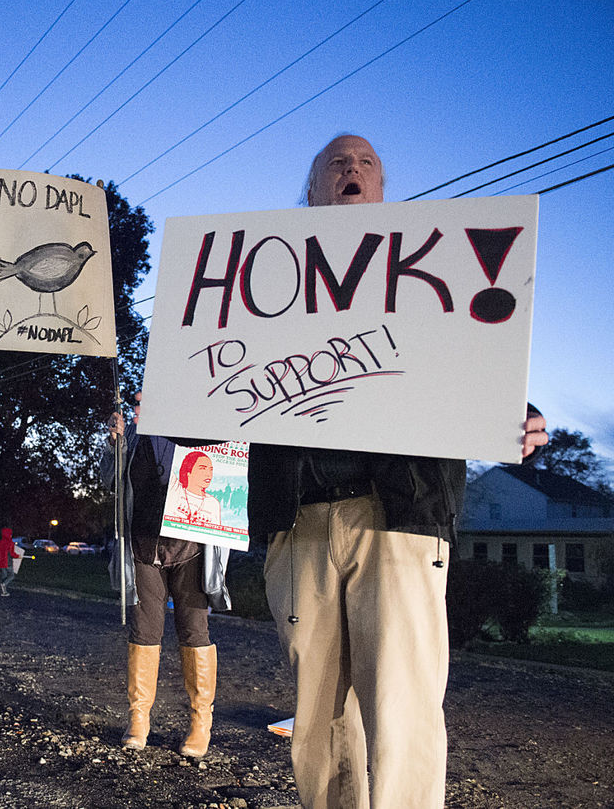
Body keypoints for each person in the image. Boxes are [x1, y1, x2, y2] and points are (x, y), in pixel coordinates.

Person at [253, 134, 549, 808]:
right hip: (299, 522)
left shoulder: (425, 277)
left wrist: (516, 413)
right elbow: (226, 385)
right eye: (335, 163)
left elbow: (473, 359)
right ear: (313, 193)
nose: (350, 170)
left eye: (364, 164)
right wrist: (174, 405)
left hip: (400, 518)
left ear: (383, 190)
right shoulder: (268, 286)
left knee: (402, 709)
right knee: (319, 722)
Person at [100, 391, 230, 758]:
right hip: (143, 549)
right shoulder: (132, 438)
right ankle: (139, 720)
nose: (137, 406)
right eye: (135, 400)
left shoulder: (199, 433)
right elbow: (110, 484)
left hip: (191, 552)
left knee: (194, 631)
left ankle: (200, 724)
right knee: (143, 631)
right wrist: (114, 446)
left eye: (144, 399)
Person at [169, 451, 220, 527]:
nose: (208, 474)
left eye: (210, 469)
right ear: (188, 472)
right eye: (202, 468)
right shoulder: (175, 489)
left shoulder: (213, 503)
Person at [0, 527, 23, 596]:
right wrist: (18, 556)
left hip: (1, 562)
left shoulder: (0, 542)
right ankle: (4, 585)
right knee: (11, 576)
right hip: (8, 562)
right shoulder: (10, 543)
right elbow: (12, 554)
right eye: (10, 534)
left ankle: (3, 591)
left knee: (4, 576)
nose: (11, 535)